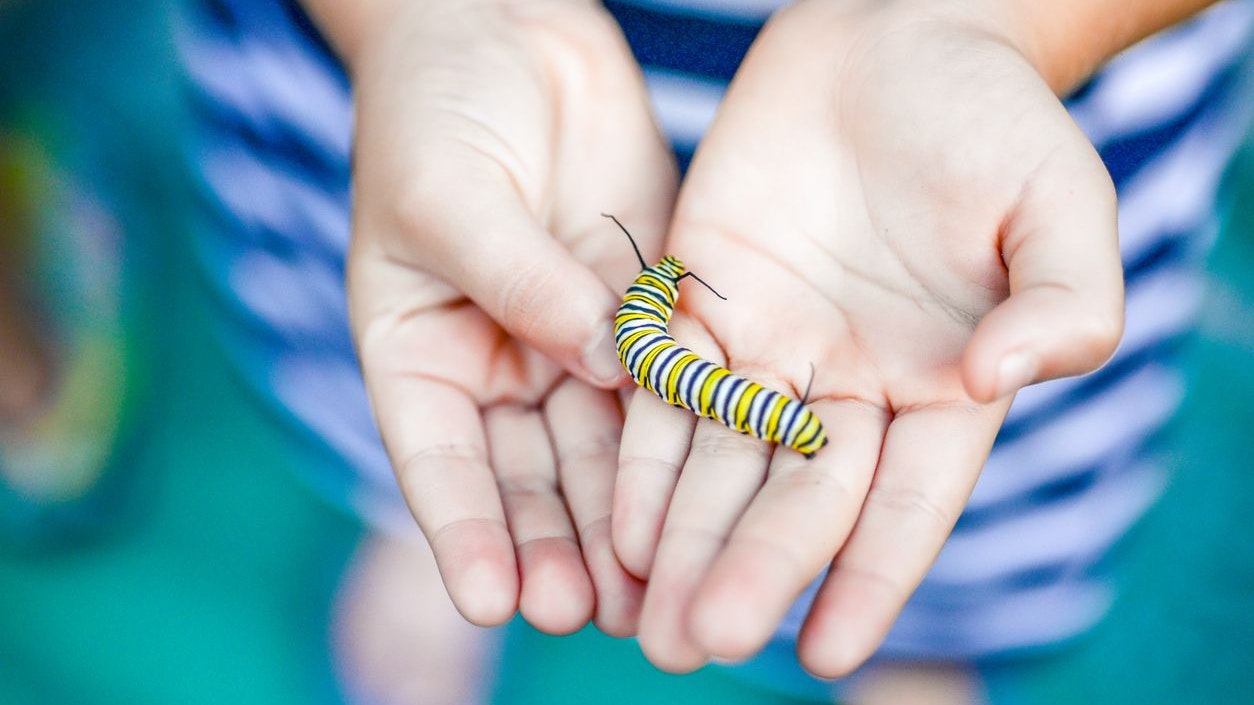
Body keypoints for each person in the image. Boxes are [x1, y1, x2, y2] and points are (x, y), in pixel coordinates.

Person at [176, 0, 1253, 701]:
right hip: (409, 82)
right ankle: (415, 516)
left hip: (970, 128)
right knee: (450, 363)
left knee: (952, 435)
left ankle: (928, 635)